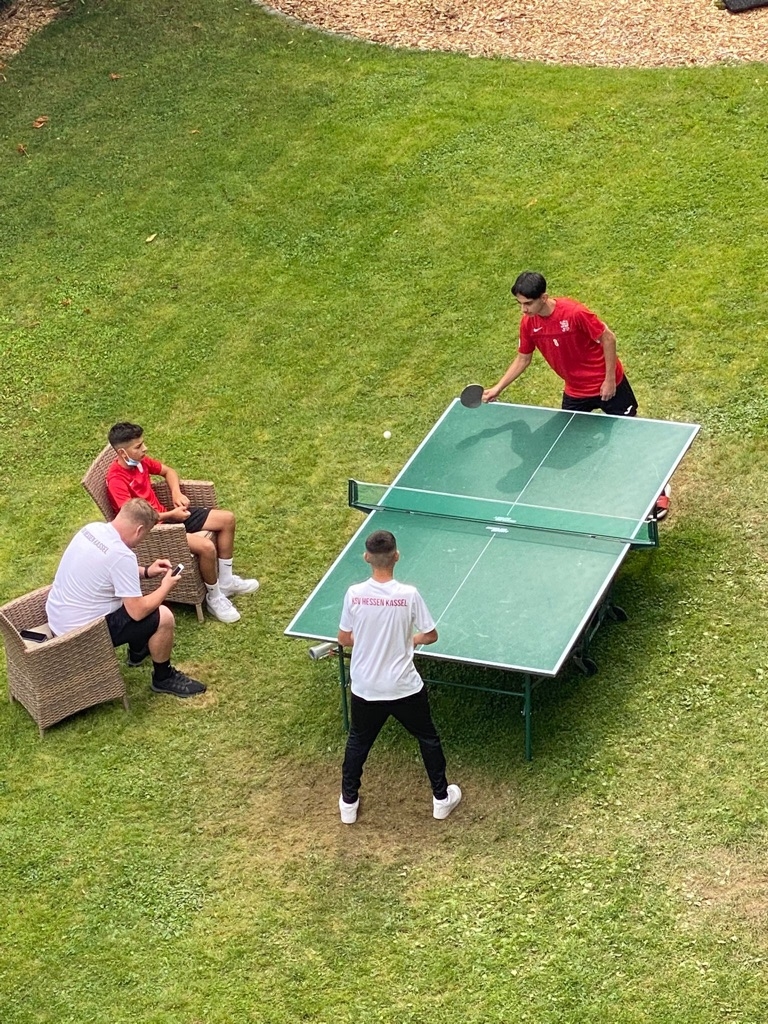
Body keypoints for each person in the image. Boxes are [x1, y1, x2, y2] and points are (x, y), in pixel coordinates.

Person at [483, 271, 669, 519]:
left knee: (632, 436)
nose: (523, 310)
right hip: (575, 390)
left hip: (608, 385)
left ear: (544, 297)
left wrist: (609, 380)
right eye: (520, 304)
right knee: (569, 441)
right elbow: (523, 358)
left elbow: (608, 338)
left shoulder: (574, 313)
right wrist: (498, 387)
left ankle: (660, 488)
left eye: (527, 303)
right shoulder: (529, 323)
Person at [337, 529, 462, 824]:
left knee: (358, 742)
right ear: (396, 556)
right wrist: (410, 640)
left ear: (366, 557)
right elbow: (430, 635)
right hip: (404, 687)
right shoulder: (409, 595)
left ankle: (348, 804)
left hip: (366, 688)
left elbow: (344, 638)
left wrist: (367, 641)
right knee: (427, 738)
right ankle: (441, 799)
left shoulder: (354, 594)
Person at [46, 498, 206, 698]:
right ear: (139, 530)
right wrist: (165, 586)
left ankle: (138, 651)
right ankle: (163, 677)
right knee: (163, 616)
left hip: (58, 619)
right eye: (145, 535)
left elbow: (110, 569)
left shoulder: (91, 530)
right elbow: (137, 612)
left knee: (131, 598)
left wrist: (146, 571)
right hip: (80, 635)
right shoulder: (122, 556)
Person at [105, 421, 260, 623]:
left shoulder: (140, 461)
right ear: (122, 453)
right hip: (152, 530)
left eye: (143, 443)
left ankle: (226, 581)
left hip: (168, 516)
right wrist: (172, 515)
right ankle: (214, 598)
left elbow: (169, 471)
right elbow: (134, 518)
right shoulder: (116, 480)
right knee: (206, 547)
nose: (145, 448)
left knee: (227, 519)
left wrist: (176, 493)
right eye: (138, 446)